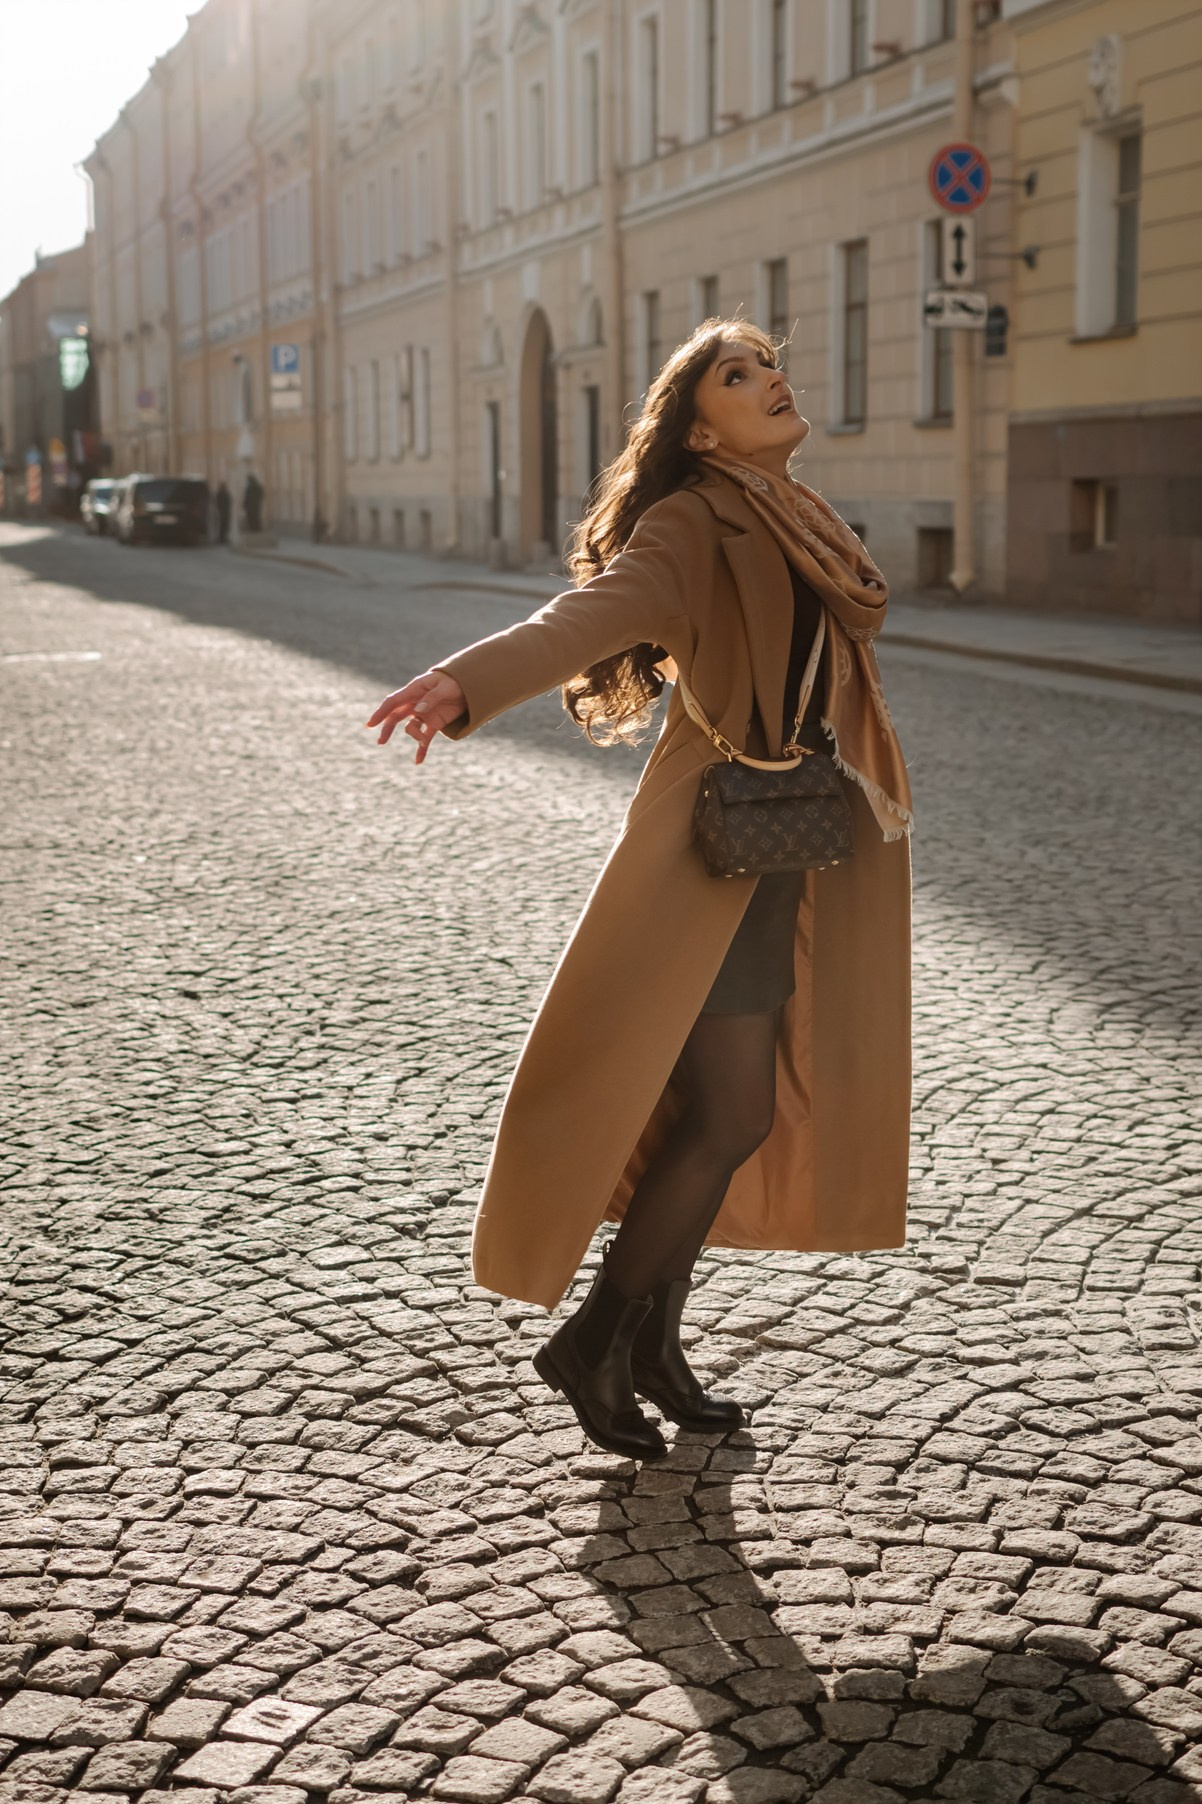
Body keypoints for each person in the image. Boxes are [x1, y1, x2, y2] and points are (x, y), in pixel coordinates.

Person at [366, 319, 913, 1463]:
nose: (768, 378)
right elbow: (584, 619)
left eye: (768, 363)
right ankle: (598, 1337)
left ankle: (651, 1343)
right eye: (735, 373)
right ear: (694, 424)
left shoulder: (796, 516)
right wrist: (460, 683)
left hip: (776, 845)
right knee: (728, 1114)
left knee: (725, 1112)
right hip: (708, 859)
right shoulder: (691, 522)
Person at [215, 479, 231, 545]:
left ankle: (223, 538)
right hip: (223, 511)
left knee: (225, 525)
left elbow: (229, 501)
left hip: (225, 511)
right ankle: (222, 538)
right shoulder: (221, 494)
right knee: (223, 525)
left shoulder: (223, 493)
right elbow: (220, 503)